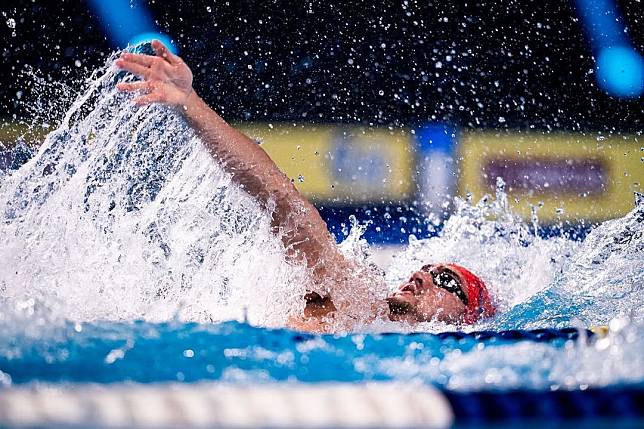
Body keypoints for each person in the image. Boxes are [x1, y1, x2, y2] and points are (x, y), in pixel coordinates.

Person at [115, 41, 496, 333]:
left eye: (446, 280)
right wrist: (190, 103)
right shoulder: (354, 296)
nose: (422, 276)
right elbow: (279, 197)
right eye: (428, 268)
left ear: (465, 317)